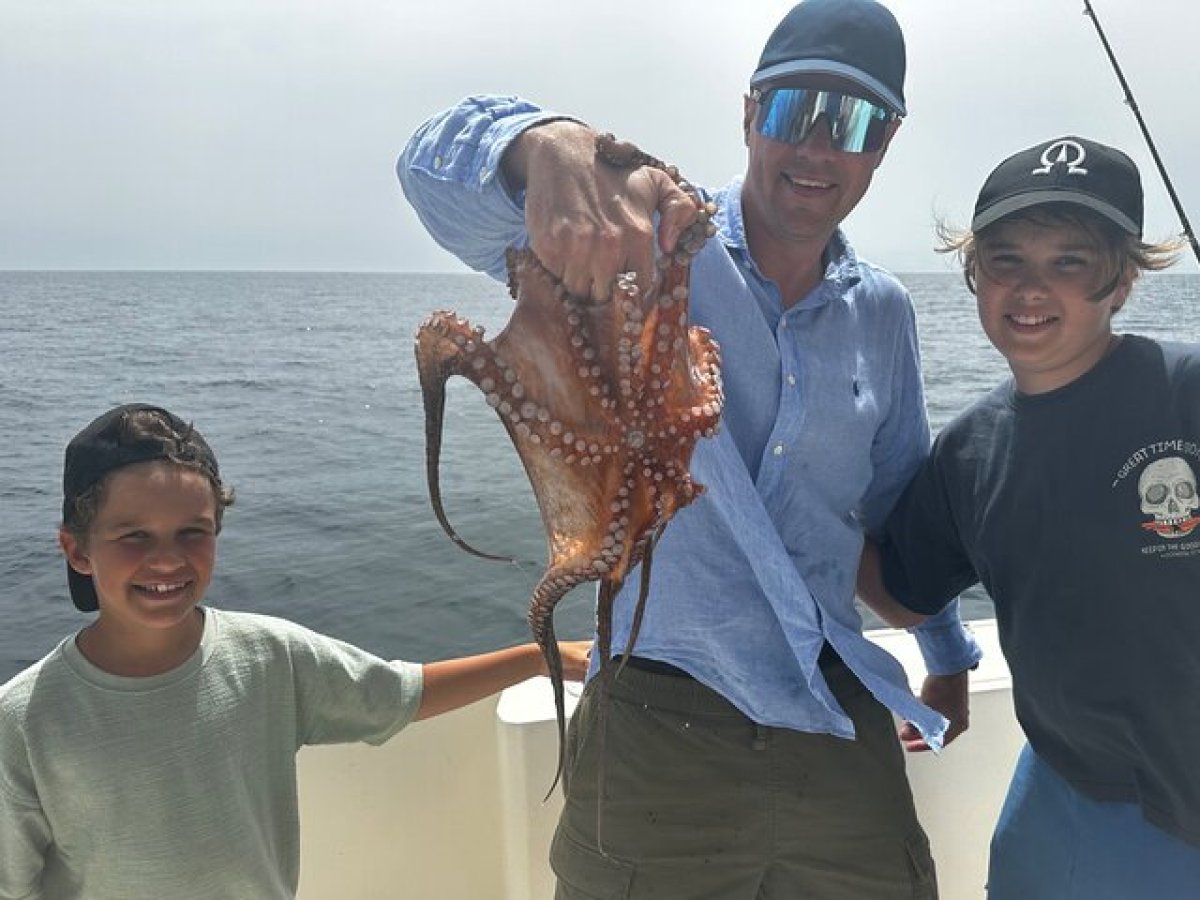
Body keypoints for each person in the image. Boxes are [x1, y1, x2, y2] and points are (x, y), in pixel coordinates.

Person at [398, 1, 983, 896]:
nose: (820, 149)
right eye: (795, 111)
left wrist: (945, 658)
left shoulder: (883, 313)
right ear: (750, 113)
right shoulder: (639, 232)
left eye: (856, 122)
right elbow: (431, 178)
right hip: (655, 715)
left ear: (886, 142)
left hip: (834, 708)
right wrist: (541, 142)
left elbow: (897, 511)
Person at [0, 403, 591, 899]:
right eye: (134, 536)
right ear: (76, 550)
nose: (168, 559)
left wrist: (538, 655)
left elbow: (398, 693)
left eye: (193, 532)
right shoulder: (24, 719)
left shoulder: (268, 657)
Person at [857, 136, 1200, 898]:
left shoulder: (1189, 390)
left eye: (1069, 261)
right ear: (975, 274)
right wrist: (798, 494)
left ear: (1123, 280)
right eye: (1005, 259)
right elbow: (902, 591)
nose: (1030, 288)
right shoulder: (969, 450)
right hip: (1063, 789)